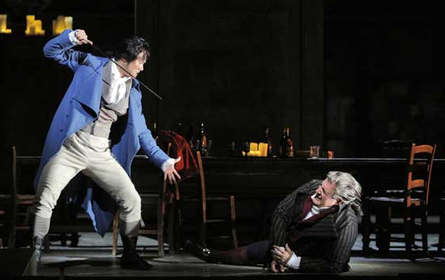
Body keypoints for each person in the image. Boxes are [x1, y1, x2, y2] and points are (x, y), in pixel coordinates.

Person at [32, 29, 181, 270]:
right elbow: (50, 51)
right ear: (126, 58)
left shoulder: (133, 88)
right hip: (71, 148)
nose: (142, 67)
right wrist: (71, 38)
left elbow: (141, 130)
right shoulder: (90, 64)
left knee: (131, 199)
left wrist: (162, 160)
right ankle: (35, 253)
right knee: (45, 197)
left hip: (100, 152)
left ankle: (130, 254)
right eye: (141, 61)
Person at [187, 171, 362, 273]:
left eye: (324, 192)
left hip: (311, 260)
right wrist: (278, 253)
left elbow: (336, 265)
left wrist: (293, 261)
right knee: (246, 253)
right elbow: (281, 212)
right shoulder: (313, 186)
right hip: (287, 245)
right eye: (321, 186)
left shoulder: (347, 222)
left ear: (339, 201)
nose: (317, 191)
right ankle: (209, 254)